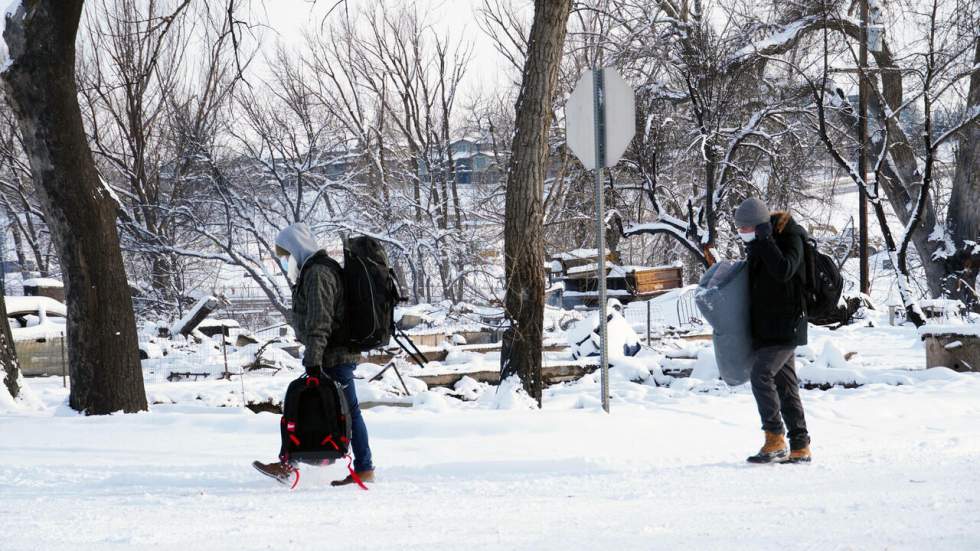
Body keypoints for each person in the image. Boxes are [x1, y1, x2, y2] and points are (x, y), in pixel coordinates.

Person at [256, 222, 375, 485]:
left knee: (345, 411)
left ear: (297, 248)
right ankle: (291, 462)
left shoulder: (319, 273)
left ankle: (363, 467)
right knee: (317, 408)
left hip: (333, 355)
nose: (285, 262)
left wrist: (313, 359)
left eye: (286, 255)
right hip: (329, 354)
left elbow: (320, 321)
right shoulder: (315, 270)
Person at [735, 198, 812, 464]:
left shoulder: (791, 237)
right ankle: (800, 445)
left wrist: (766, 242)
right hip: (768, 327)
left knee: (761, 375)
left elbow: (784, 270)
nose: (742, 233)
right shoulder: (758, 245)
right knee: (786, 385)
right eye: (739, 229)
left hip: (787, 324)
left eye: (745, 228)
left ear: (760, 226)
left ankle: (775, 438)